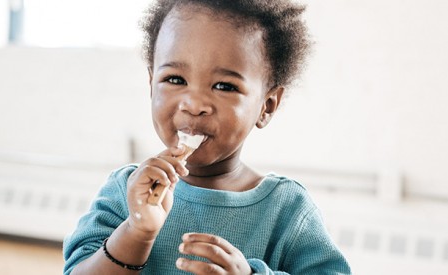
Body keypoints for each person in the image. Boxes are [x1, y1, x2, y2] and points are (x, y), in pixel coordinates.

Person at [63, 0, 351, 274]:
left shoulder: (287, 211)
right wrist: (136, 231)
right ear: (152, 85)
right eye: (175, 79)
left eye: (224, 86)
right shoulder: (123, 192)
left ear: (267, 106)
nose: (194, 104)